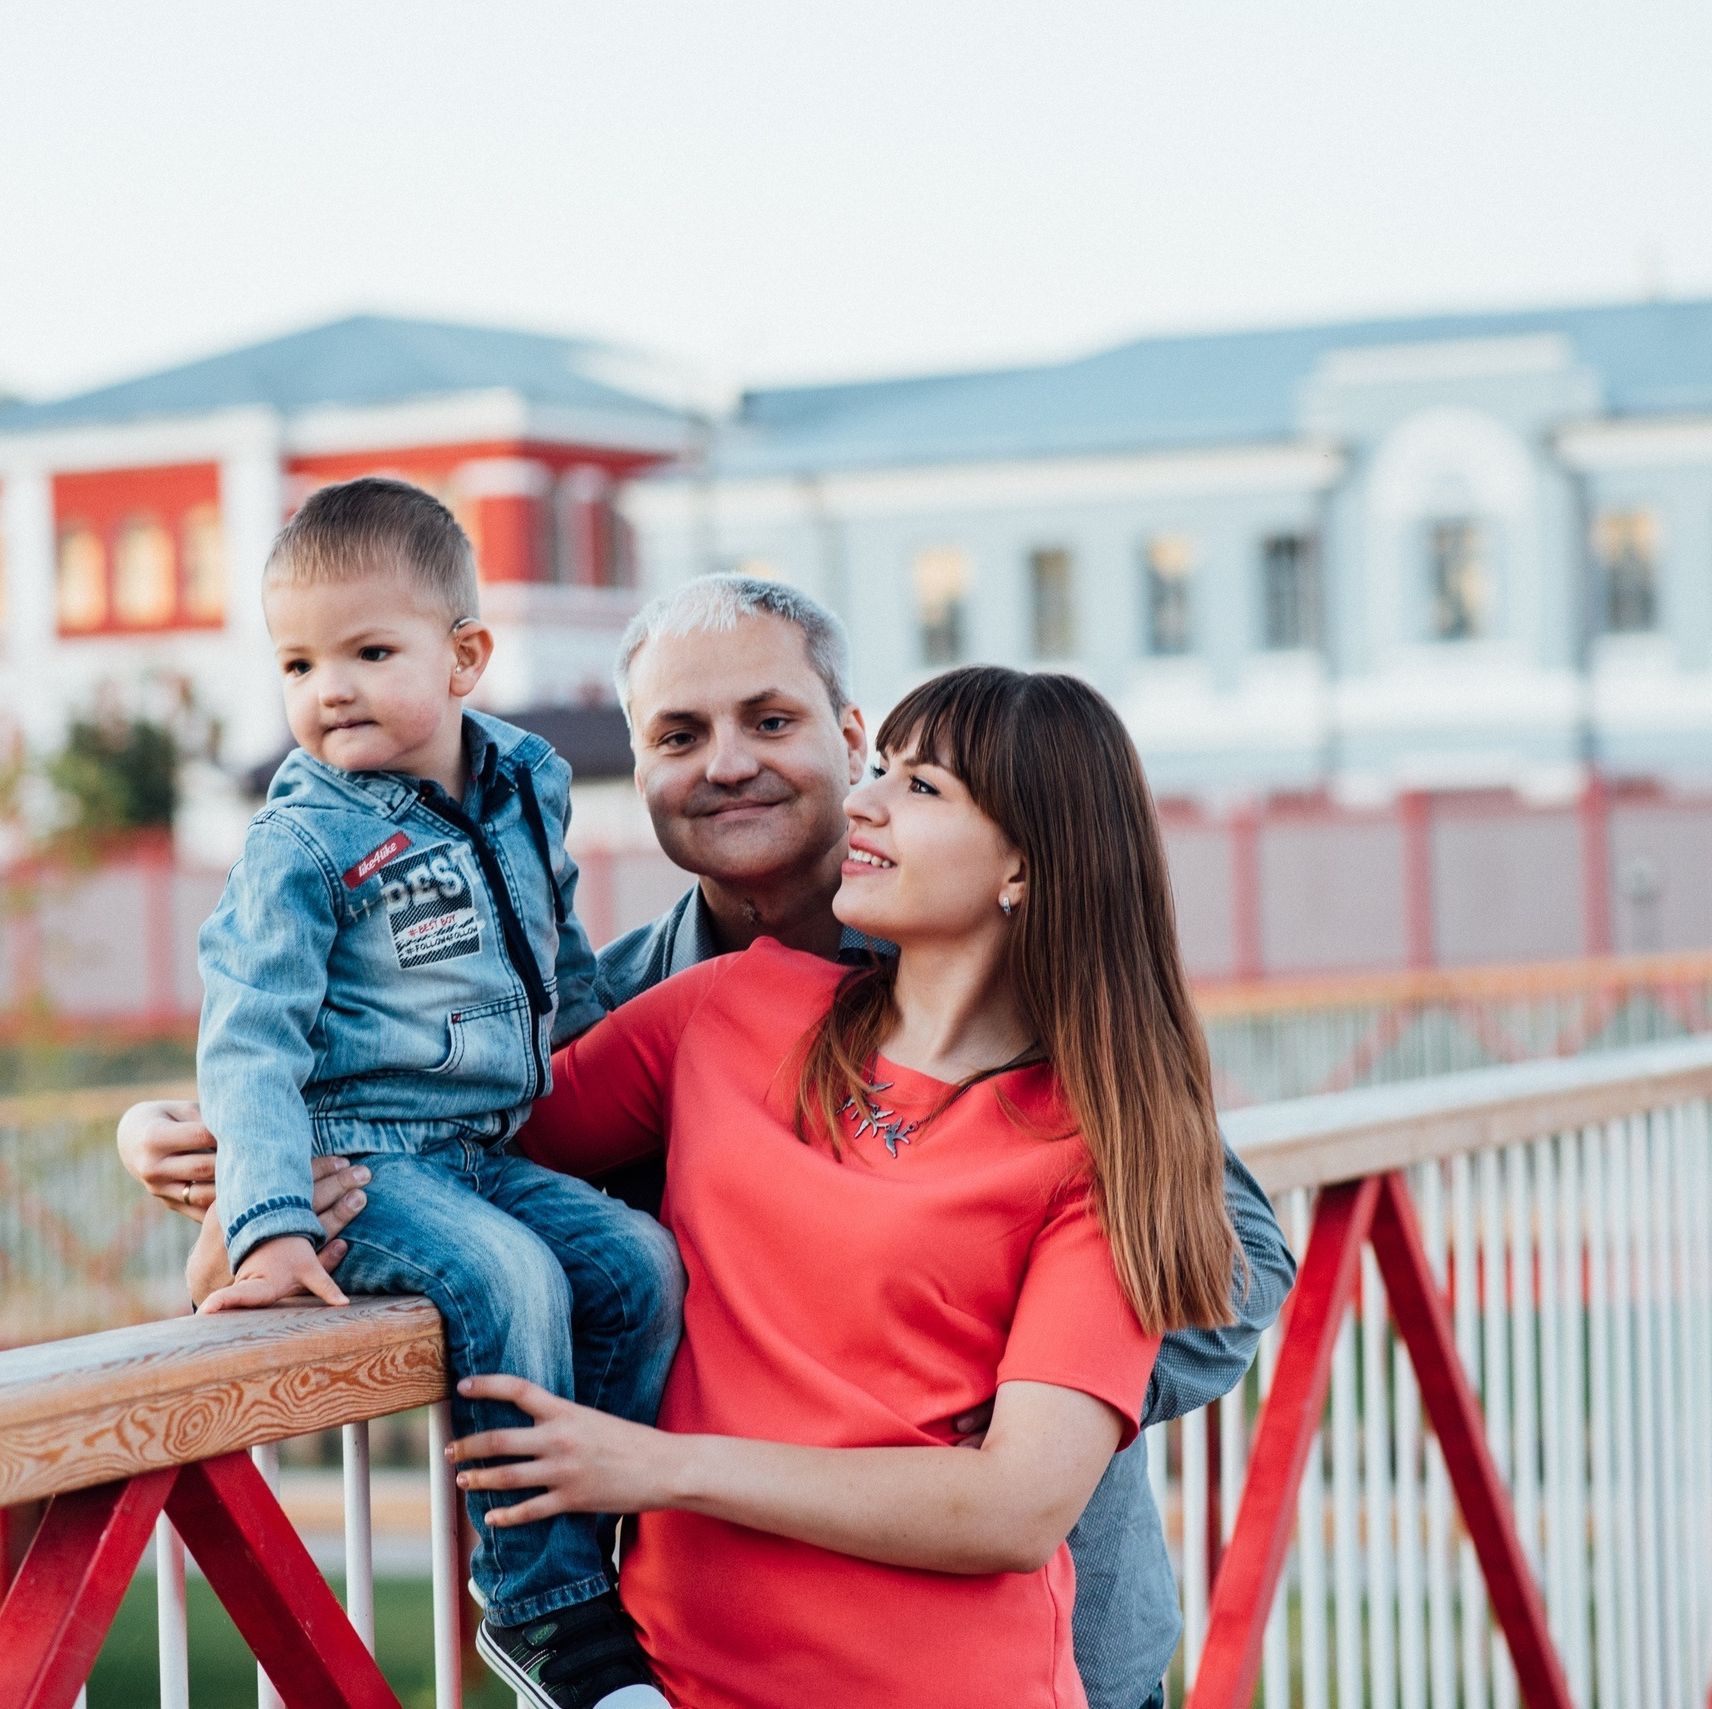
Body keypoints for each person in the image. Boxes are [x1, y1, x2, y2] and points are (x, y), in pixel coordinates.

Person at [125, 575, 1296, 1709]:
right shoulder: (652, 1008)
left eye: (770, 720)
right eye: (679, 733)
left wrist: (982, 1392)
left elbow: (1225, 1263)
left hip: (1041, 1642)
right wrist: (238, 1164)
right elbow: (436, 1134)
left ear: (844, 736)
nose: (726, 761)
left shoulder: (1064, 1067)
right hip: (696, 1647)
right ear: (637, 771)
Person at [444, 663, 1240, 1706]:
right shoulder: (727, 1006)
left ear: (1026, 866)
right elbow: (464, 1147)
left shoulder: (1100, 1145)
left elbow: (1014, 1505)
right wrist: (246, 1169)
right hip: (677, 1682)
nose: (860, 800)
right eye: (878, 768)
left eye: (921, 787)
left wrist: (659, 1464)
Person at [193, 476, 679, 1709]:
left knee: (635, 1265)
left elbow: (554, 953)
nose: (330, 690)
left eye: (368, 651)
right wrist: (269, 1219)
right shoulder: (302, 841)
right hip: (364, 1158)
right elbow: (248, 1038)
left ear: (465, 655)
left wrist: (615, 1080)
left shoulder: (524, 778)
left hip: (484, 1142)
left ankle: (600, 1551)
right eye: (297, 664)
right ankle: (542, 1607)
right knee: (509, 1277)